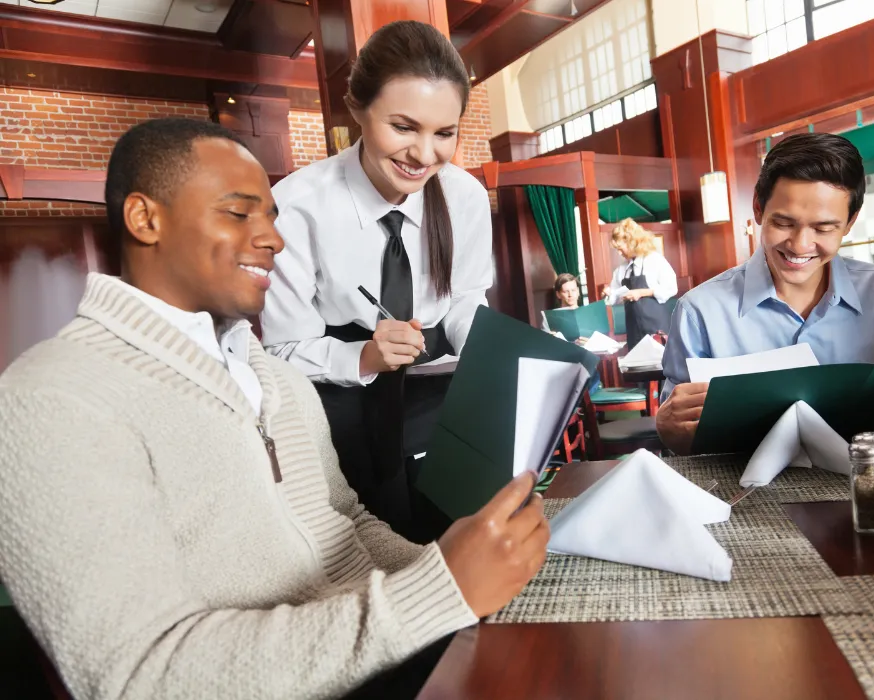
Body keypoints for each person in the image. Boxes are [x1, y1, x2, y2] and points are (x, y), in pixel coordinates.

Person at [0, 118, 549, 700]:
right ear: (145, 219)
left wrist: (464, 571)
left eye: (271, 216)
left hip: (396, 663)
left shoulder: (278, 377)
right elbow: (136, 676)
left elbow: (349, 528)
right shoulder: (50, 398)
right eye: (239, 214)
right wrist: (441, 590)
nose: (274, 240)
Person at [260, 21, 493, 540]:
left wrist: (489, 349)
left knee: (459, 542)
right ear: (358, 109)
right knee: (371, 550)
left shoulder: (464, 197)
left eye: (444, 133)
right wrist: (363, 357)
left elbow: (464, 300)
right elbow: (279, 352)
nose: (424, 154)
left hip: (439, 394)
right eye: (404, 127)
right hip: (340, 401)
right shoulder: (298, 206)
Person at [656, 133, 874, 454]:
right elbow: (682, 436)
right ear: (758, 209)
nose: (800, 245)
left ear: (849, 223)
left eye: (823, 228)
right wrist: (669, 428)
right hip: (749, 499)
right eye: (784, 223)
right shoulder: (699, 311)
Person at [602, 218, 678, 349]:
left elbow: (671, 288)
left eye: (621, 248)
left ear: (632, 243)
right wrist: (609, 293)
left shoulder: (654, 260)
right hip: (633, 331)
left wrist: (642, 292)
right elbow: (613, 299)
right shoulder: (622, 270)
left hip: (657, 328)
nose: (619, 253)